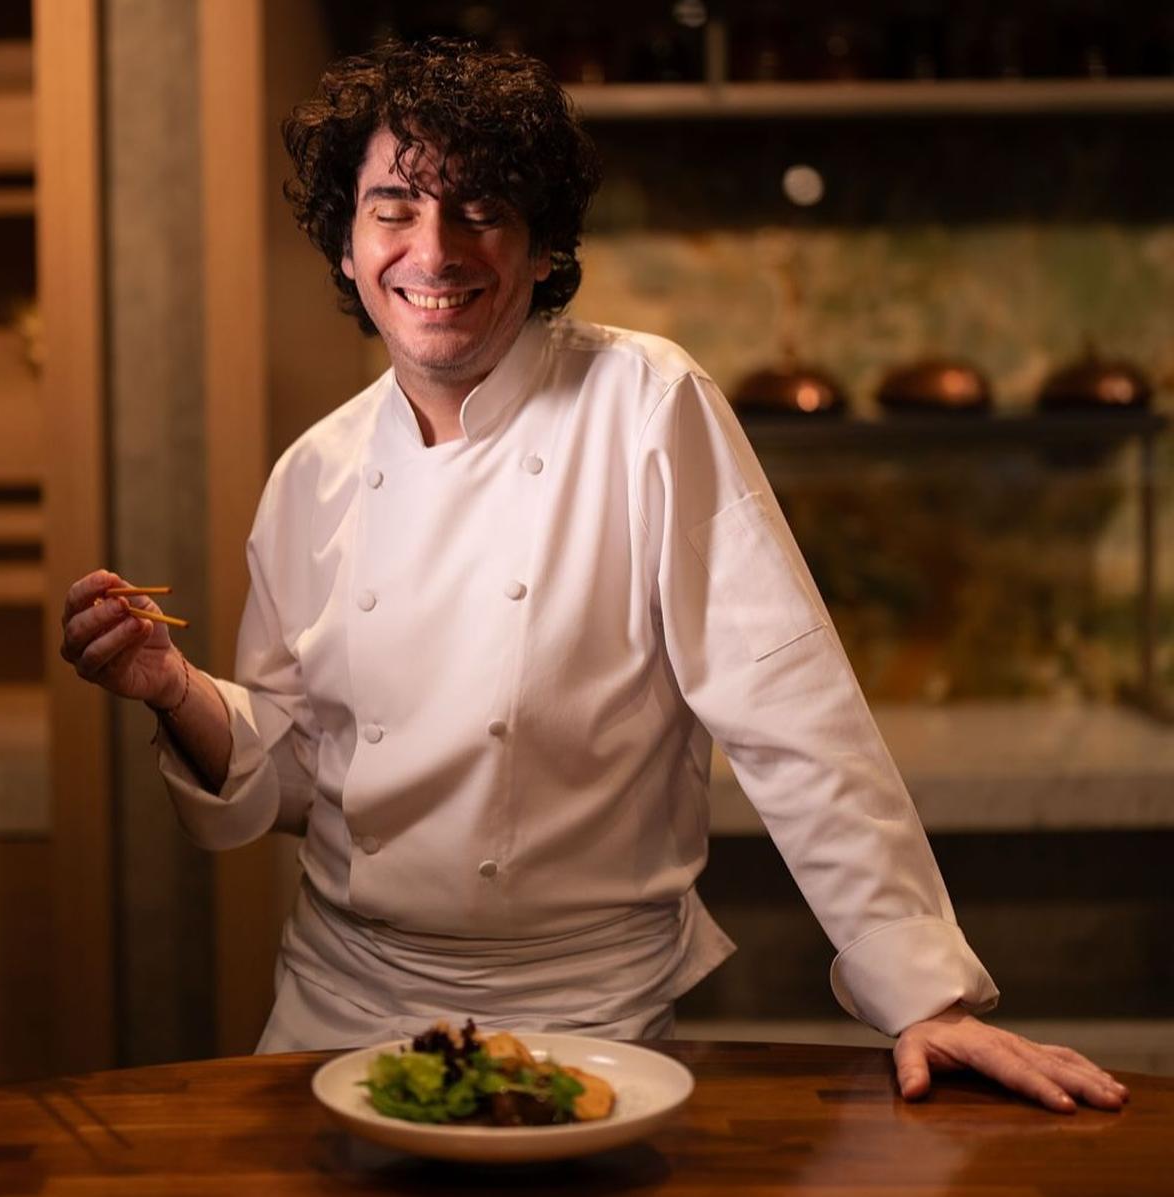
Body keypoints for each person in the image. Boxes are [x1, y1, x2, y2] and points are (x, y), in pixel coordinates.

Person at [61, 38, 1126, 1112]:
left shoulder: (643, 403)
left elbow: (788, 710)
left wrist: (922, 995)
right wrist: (173, 690)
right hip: (334, 1007)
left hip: (580, 1019)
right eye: (392, 208)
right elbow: (290, 782)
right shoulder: (313, 476)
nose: (432, 249)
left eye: (479, 209)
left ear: (539, 248)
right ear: (346, 243)